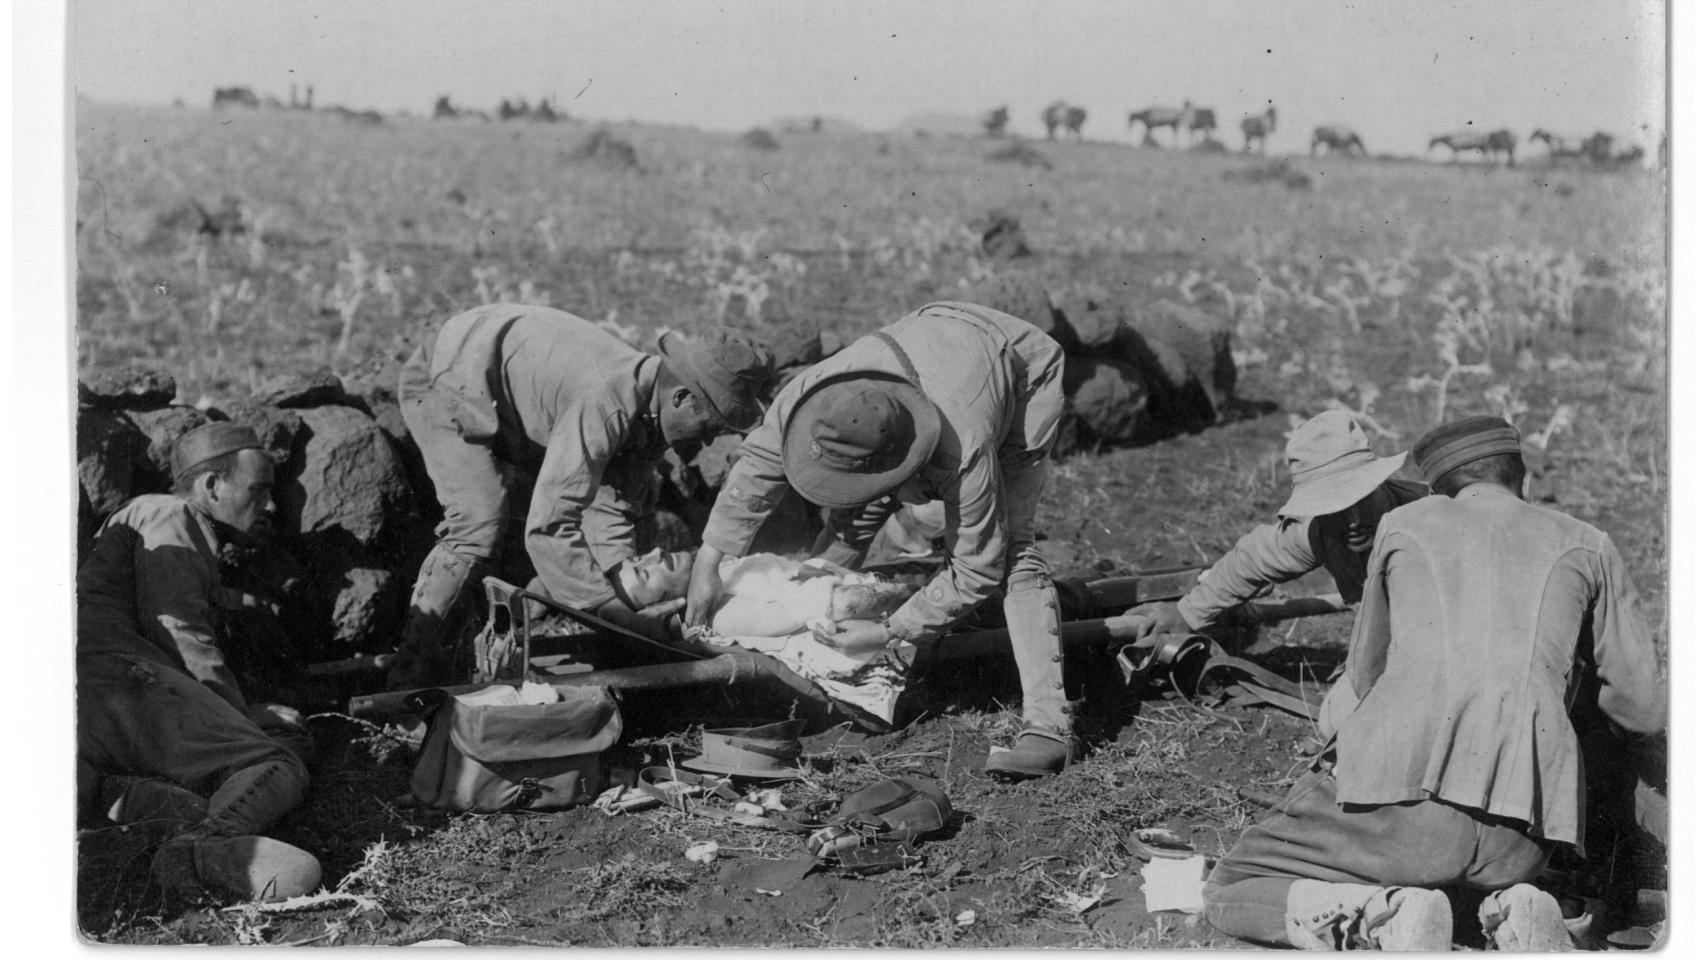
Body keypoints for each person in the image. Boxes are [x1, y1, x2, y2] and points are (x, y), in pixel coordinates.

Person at [1202, 416, 1665, 951]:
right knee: (1464, 868)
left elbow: (1364, 677)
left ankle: (1381, 917)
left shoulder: (1404, 526)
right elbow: (1644, 711)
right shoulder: (1591, 544)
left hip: (1405, 816)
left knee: (1231, 886)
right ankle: (1511, 905)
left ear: (1438, 491)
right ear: (1523, 479)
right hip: (1523, 841)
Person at [683, 300, 1075, 779]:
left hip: (1018, 371)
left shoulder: (963, 449)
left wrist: (891, 630)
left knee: (1013, 551)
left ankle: (1048, 726)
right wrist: (710, 561)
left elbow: (978, 568)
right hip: (932, 342)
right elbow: (759, 464)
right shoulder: (814, 395)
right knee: (855, 504)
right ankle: (828, 597)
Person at [389, 304, 773, 689]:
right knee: (480, 520)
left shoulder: (650, 410)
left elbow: (614, 505)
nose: (706, 441)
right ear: (682, 399)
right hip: (445, 379)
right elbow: (549, 525)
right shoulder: (607, 402)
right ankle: (406, 682)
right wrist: (611, 610)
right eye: (708, 426)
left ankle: (460, 661)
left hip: (498, 392)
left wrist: (627, 605)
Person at [77, 423, 322, 902]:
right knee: (276, 760)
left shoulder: (151, 518)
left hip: (94, 696)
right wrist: (239, 713)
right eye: (259, 489)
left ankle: (120, 807)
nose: (270, 505)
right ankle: (200, 849)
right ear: (211, 485)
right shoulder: (171, 513)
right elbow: (180, 632)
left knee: (186, 800)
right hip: (123, 677)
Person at [1131, 409, 1426, 639]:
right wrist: (1187, 614)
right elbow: (1251, 559)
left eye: (1360, 499)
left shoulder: (1433, 513)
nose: (1352, 520)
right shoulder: (1317, 531)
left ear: (1379, 483)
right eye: (1334, 507)